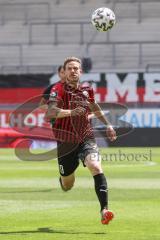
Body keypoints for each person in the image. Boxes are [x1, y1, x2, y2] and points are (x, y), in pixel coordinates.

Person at [46, 57, 117, 225]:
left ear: (81, 71)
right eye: (69, 68)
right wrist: (71, 112)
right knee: (68, 184)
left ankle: (104, 210)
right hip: (65, 143)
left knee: (95, 166)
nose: (73, 71)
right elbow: (51, 112)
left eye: (76, 68)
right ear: (64, 72)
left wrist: (108, 125)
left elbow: (95, 107)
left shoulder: (87, 90)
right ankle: (63, 180)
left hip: (86, 137)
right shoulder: (58, 89)